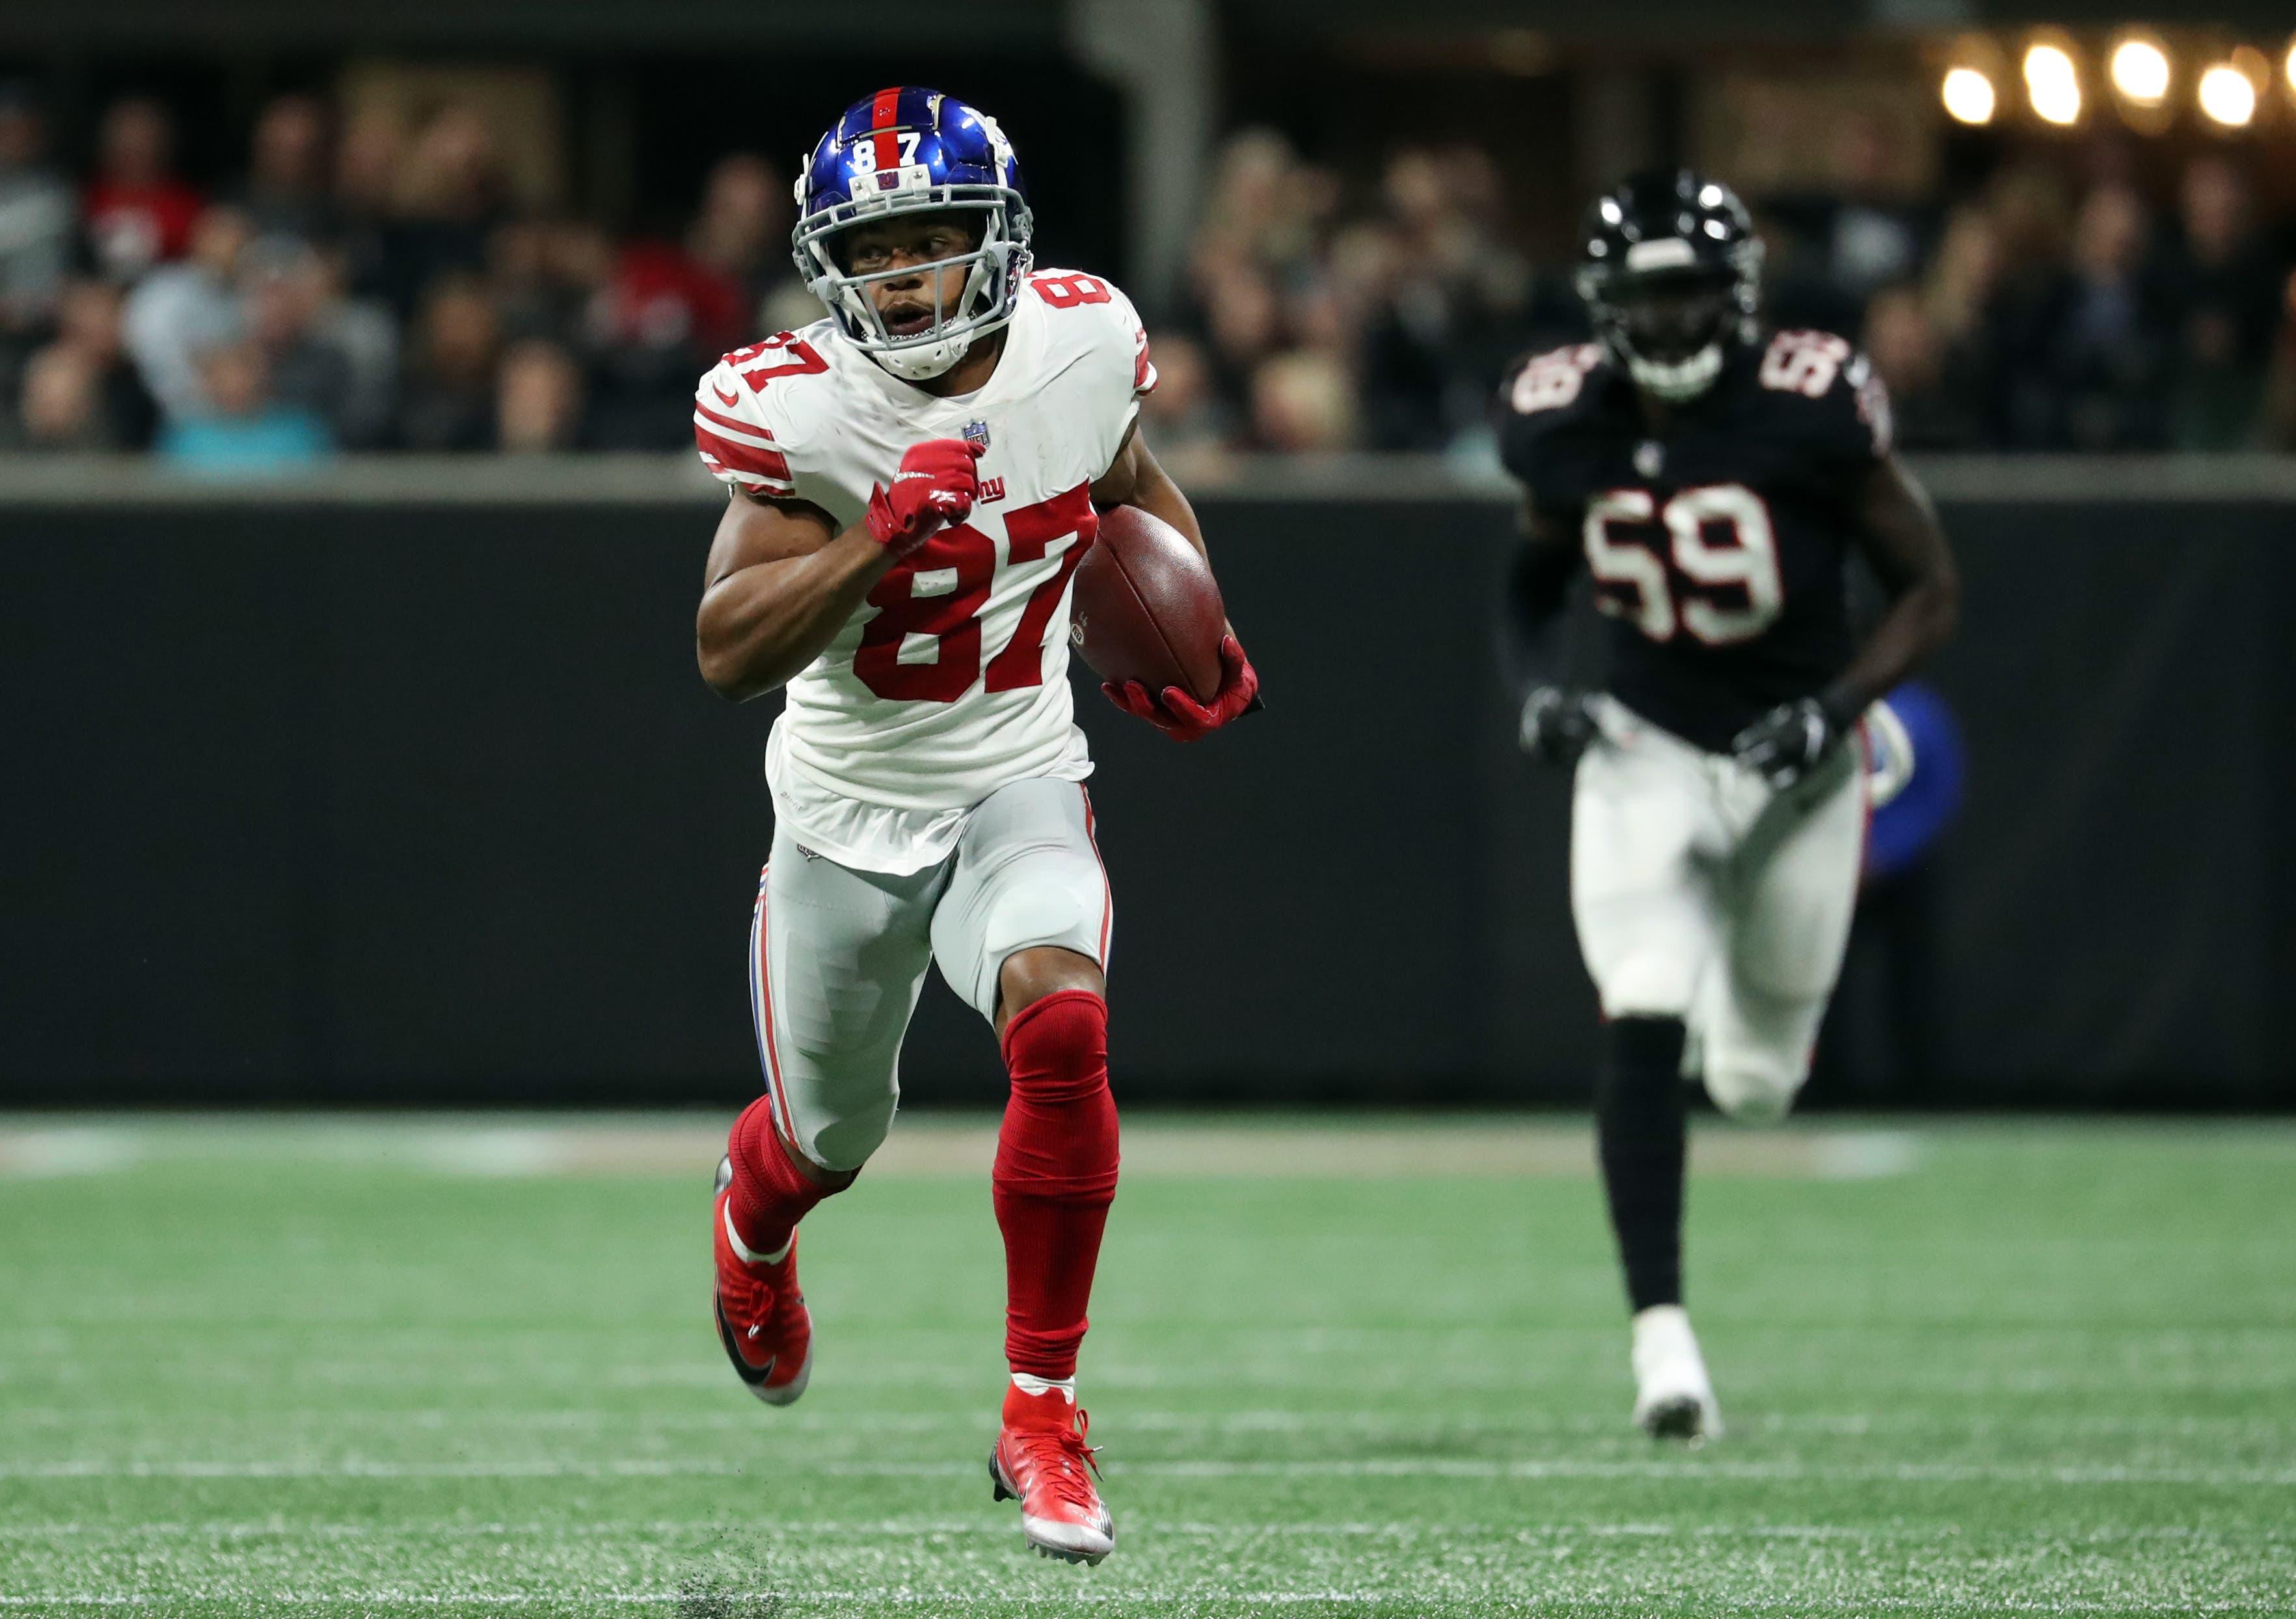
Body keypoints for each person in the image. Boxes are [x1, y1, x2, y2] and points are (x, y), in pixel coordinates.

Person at [690, 88, 1259, 1566]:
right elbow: (725, 649)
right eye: (871, 255)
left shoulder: (1079, 345)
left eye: (931, 244)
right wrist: (876, 534)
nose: (901, 282)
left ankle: (1042, 1411)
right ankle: (754, 1228)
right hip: (841, 812)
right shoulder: (798, 404)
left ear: (996, 246)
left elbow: (1124, 486)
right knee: (829, 1136)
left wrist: (1195, 635)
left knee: (1063, 1030)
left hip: (1017, 770)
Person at [1495, 171, 1958, 1441]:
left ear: (1737, 297)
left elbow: (1928, 588)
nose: (1669, 321)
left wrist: (1840, 707)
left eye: (1691, 292)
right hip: (1644, 745)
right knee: (1642, 997)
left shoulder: (1808, 406)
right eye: (1645, 297)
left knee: (1754, 1085)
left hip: (1796, 765)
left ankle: (1726, 1008)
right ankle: (1664, 1348)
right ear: (1604, 307)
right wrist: (1542, 690)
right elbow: (1530, 584)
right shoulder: (1561, 420)